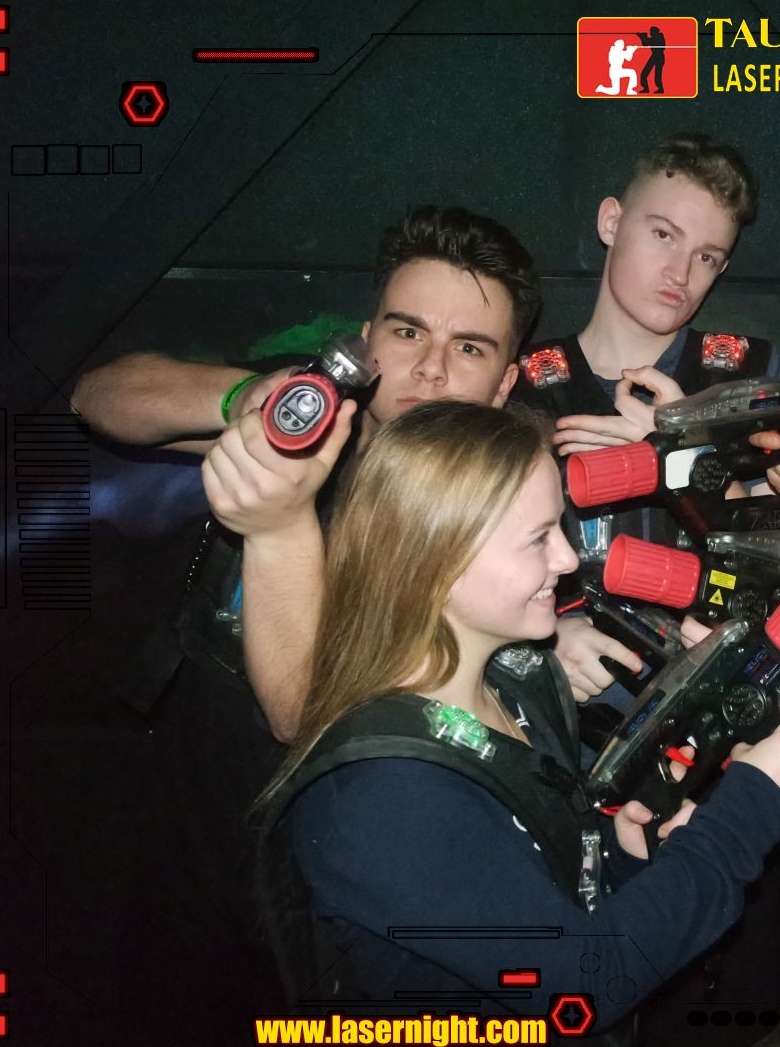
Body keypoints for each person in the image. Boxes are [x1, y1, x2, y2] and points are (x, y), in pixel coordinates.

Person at [73, 206, 541, 1038]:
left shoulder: (511, 507)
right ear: (368, 338)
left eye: (469, 348)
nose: (430, 368)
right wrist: (246, 398)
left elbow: (306, 713)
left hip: (340, 872)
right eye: (407, 331)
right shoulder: (311, 415)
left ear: (505, 382)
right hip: (193, 815)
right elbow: (101, 395)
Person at [257, 400, 780, 1040]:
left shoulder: (518, 682)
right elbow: (580, 988)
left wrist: (614, 860)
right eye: (538, 539)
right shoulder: (382, 797)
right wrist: (750, 809)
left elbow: (531, 892)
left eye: (559, 528)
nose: (566, 559)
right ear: (434, 558)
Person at [509, 132, 780, 707]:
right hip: (556, 717)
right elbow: (447, 572)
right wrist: (537, 644)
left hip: (719, 702)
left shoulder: (754, 379)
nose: (680, 272)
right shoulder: (519, 385)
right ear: (611, 222)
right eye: (663, 234)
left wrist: (684, 458)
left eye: (706, 256)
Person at [636, 26, 667, 93]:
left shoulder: (659, 38)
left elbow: (647, 43)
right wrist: (642, 37)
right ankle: (646, 89)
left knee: (656, 75)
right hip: (655, 56)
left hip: (658, 56)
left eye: (651, 31)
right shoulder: (655, 38)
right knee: (645, 73)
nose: (650, 33)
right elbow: (645, 44)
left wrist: (642, 37)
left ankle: (660, 89)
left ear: (655, 32)